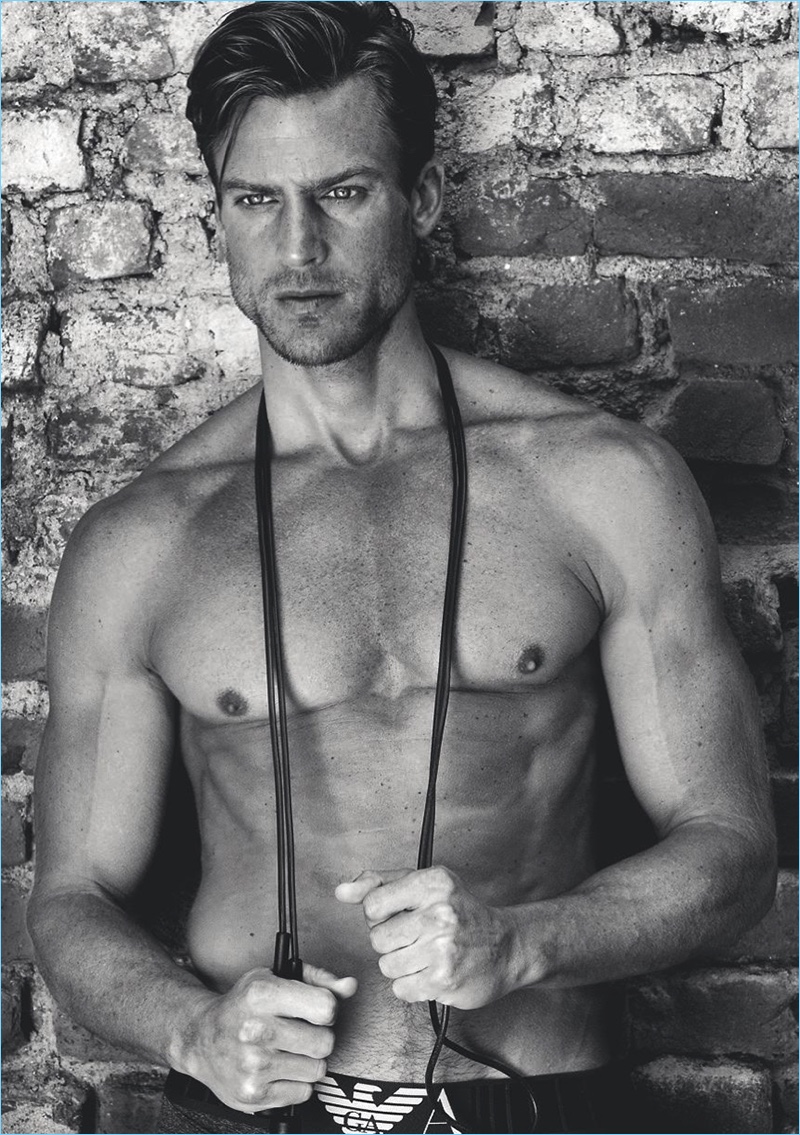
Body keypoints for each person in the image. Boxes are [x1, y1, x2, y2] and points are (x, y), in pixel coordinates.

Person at [28, 3, 777, 1133]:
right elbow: (72, 897)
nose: (298, 250)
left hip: (531, 1098)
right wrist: (190, 1029)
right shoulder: (141, 542)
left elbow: (730, 852)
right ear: (216, 215)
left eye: (341, 192)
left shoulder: (600, 483)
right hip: (250, 1114)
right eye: (255, 200)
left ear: (419, 199)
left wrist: (525, 939)